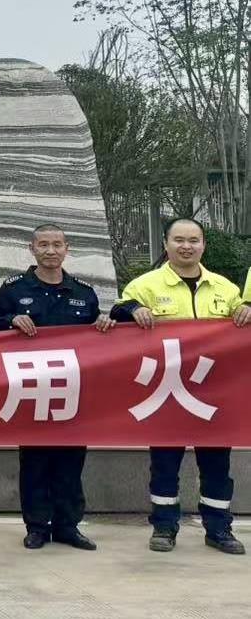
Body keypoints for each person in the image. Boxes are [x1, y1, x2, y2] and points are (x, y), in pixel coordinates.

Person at [109, 217, 251, 555]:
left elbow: (241, 327)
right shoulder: (144, 285)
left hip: (213, 392)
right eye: (179, 240)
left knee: (217, 465)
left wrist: (246, 310)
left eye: (193, 240)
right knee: (164, 463)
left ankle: (218, 528)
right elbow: (117, 313)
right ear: (166, 244)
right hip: (166, 391)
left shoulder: (225, 288)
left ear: (203, 245)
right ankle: (164, 526)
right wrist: (134, 310)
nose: (186, 246)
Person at [0, 224, 102, 552]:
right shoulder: (13, 290)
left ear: (67, 249)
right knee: (35, 462)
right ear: (32, 249)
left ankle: (68, 526)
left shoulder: (84, 292)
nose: (50, 251)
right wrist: (10, 321)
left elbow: (99, 337)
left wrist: (104, 325)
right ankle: (37, 527)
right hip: (31, 389)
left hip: (71, 391)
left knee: (70, 462)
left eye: (57, 245)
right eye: (43, 245)